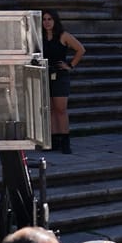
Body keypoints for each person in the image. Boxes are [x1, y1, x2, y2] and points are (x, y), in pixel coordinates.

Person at [41, 10, 85, 155]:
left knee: (61, 109)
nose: (47, 22)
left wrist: (70, 65)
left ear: (55, 21)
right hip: (45, 74)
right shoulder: (40, 37)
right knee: (51, 109)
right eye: (44, 19)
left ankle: (66, 142)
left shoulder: (63, 35)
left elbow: (80, 49)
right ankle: (54, 141)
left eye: (50, 19)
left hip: (60, 75)